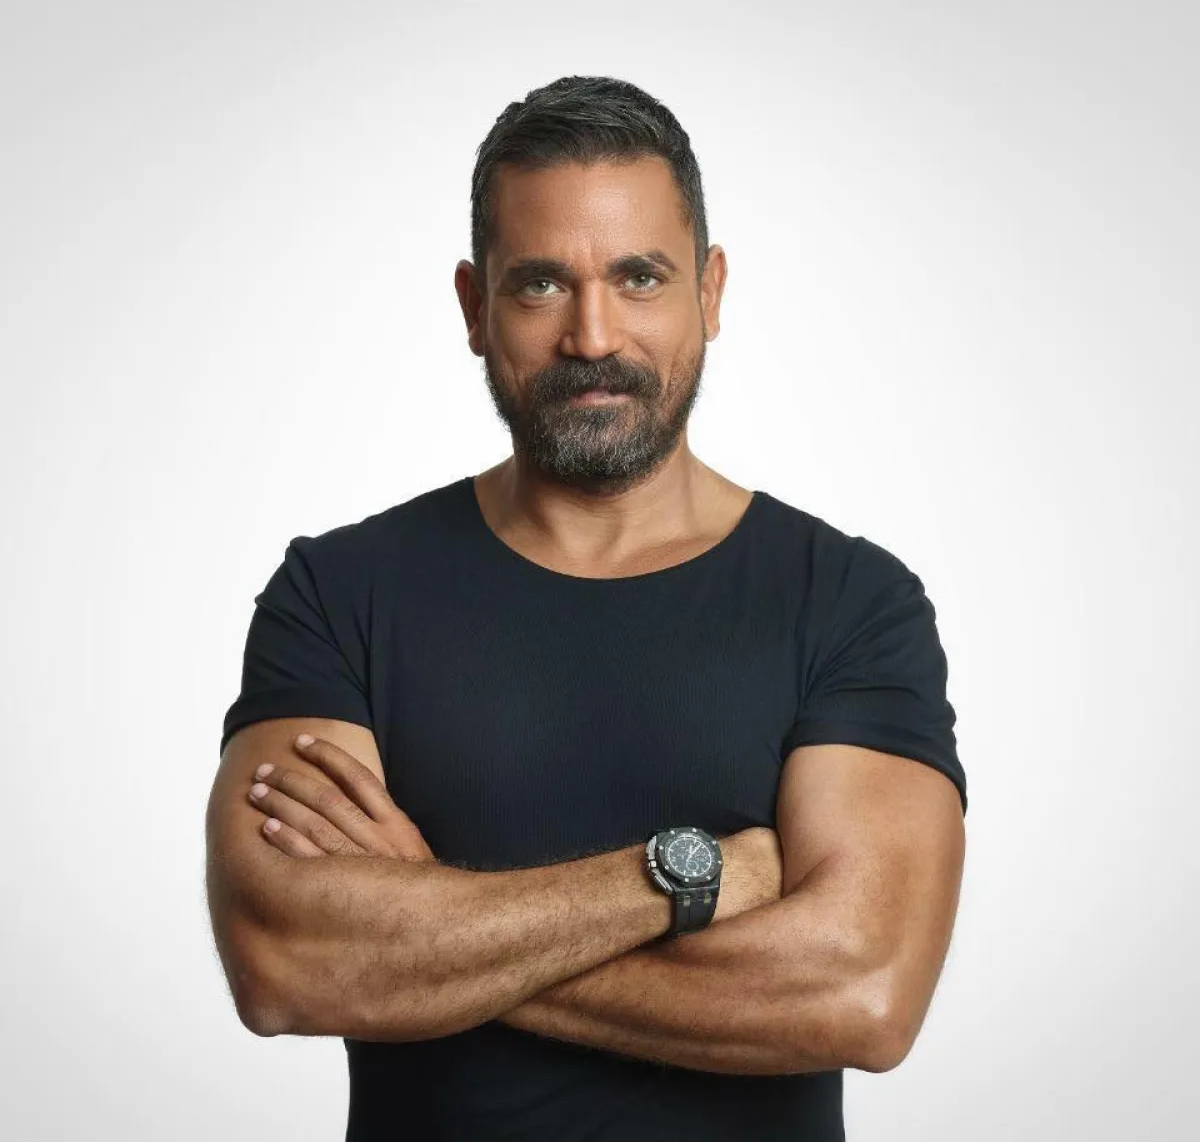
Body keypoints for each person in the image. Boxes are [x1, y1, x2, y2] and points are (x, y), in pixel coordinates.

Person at [205, 74, 968, 1142]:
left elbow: (863, 994)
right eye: (540, 285)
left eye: (640, 276)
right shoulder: (339, 592)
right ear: (475, 308)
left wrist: (427, 917)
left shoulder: (851, 601)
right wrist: (695, 877)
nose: (593, 335)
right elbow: (285, 960)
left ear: (710, 290)